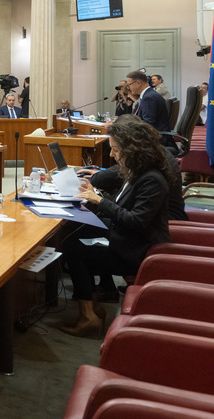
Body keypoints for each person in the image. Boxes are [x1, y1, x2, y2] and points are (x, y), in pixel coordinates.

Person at [60, 115, 171, 337]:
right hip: (127, 237)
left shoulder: (152, 179)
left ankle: (89, 316)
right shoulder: (137, 171)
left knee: (76, 251)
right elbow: (122, 205)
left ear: (132, 149)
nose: (111, 154)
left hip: (137, 250)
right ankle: (93, 306)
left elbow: (136, 222)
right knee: (74, 231)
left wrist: (99, 201)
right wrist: (94, 197)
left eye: (115, 149)